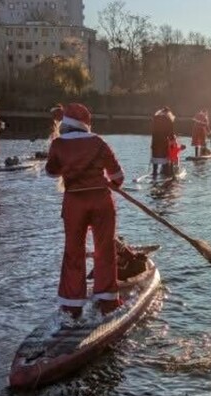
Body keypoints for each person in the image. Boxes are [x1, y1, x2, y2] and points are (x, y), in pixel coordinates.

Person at [45, 103, 126, 320]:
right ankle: (108, 301)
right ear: (86, 124)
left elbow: (51, 173)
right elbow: (118, 177)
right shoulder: (98, 142)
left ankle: (72, 305)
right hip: (101, 201)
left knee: (74, 250)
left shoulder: (58, 144)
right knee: (104, 249)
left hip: (74, 204)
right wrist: (111, 183)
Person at [151, 107, 175, 173]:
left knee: (155, 158)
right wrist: (173, 142)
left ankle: (154, 173)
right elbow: (171, 132)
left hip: (155, 141)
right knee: (164, 158)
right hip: (163, 142)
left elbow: (153, 131)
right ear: (168, 113)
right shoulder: (168, 119)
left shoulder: (155, 118)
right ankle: (165, 173)